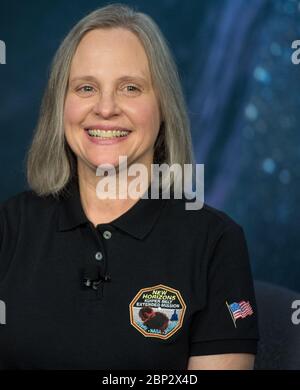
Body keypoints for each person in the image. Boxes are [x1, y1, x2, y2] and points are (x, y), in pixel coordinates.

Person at [0, 4, 259, 369]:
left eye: (131, 88)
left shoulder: (215, 241)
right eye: (86, 87)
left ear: (164, 105)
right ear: (60, 106)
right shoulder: (10, 227)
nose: (106, 109)